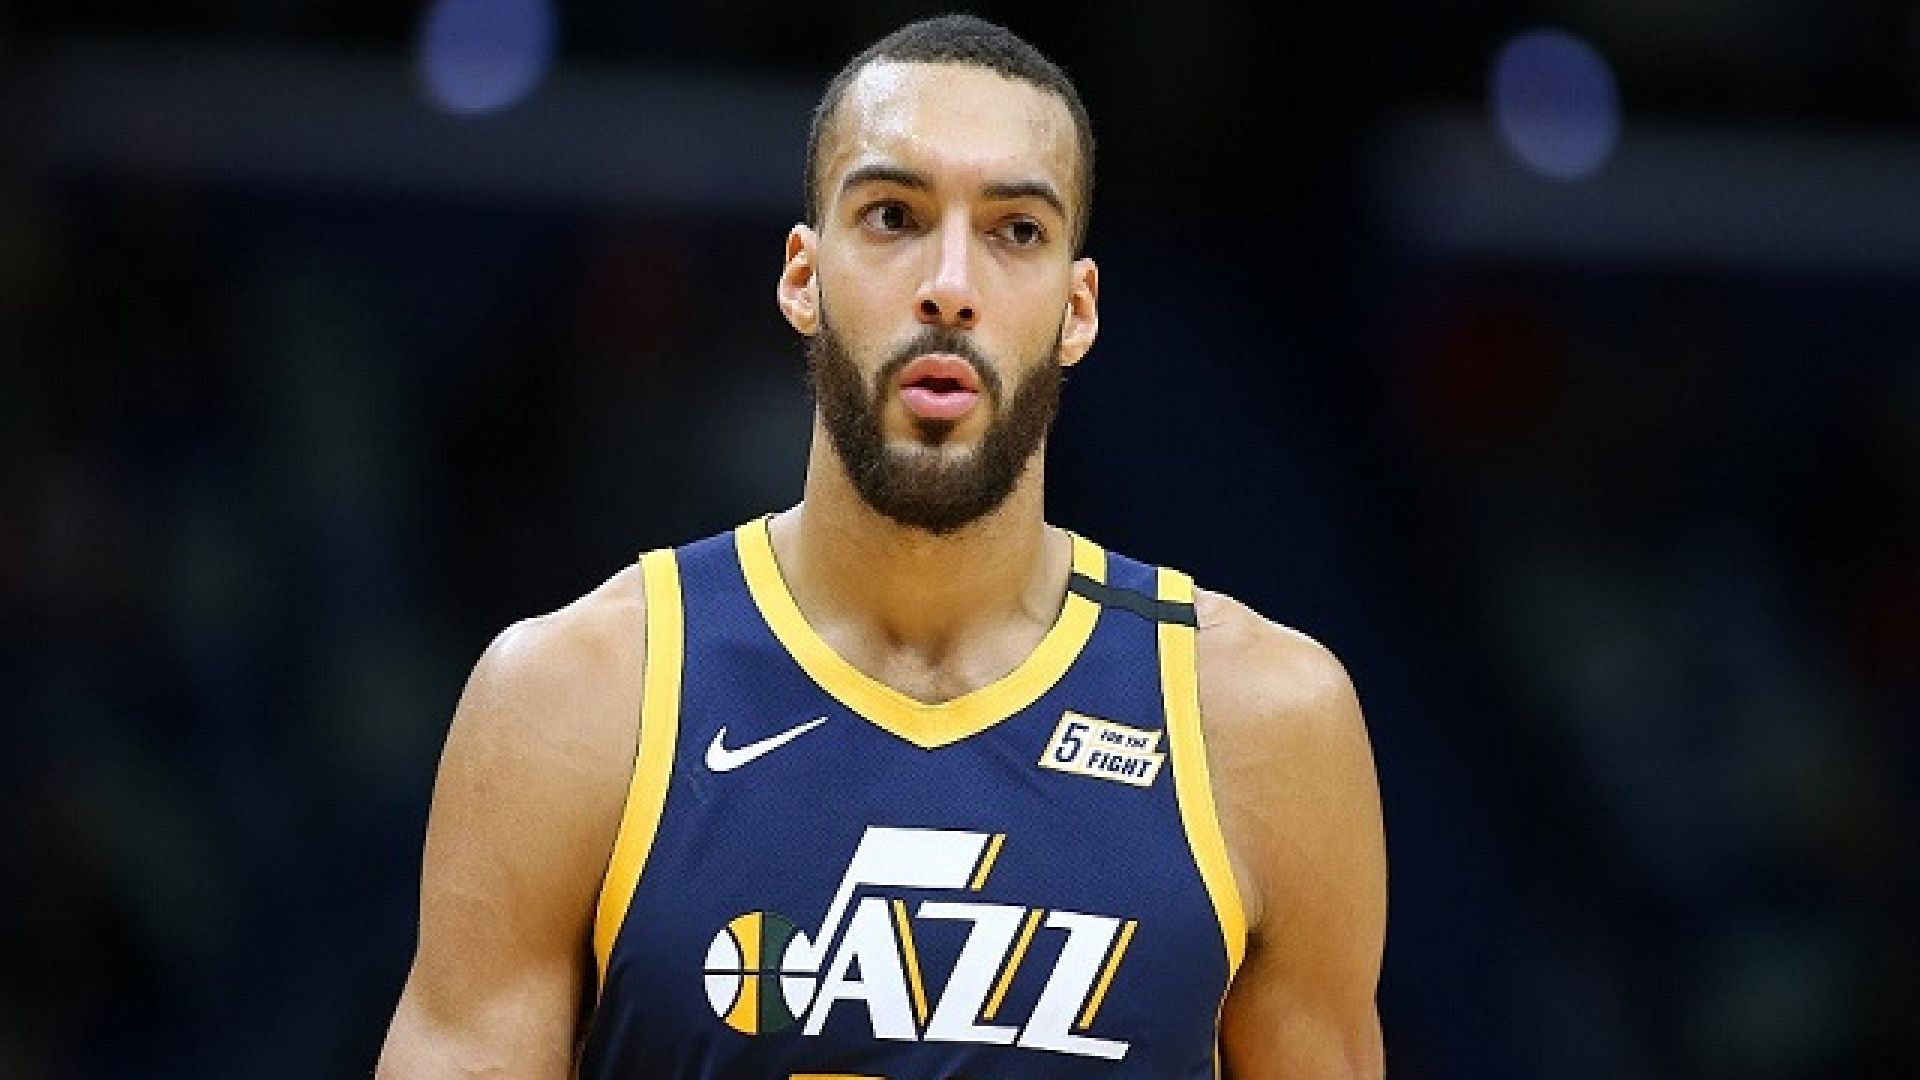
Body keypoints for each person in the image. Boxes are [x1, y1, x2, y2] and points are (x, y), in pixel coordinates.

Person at [376, 13, 1386, 1079]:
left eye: (1015, 231)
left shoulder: (1263, 723)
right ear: (802, 278)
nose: (949, 285)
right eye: (894, 216)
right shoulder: (576, 699)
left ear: (1078, 310)